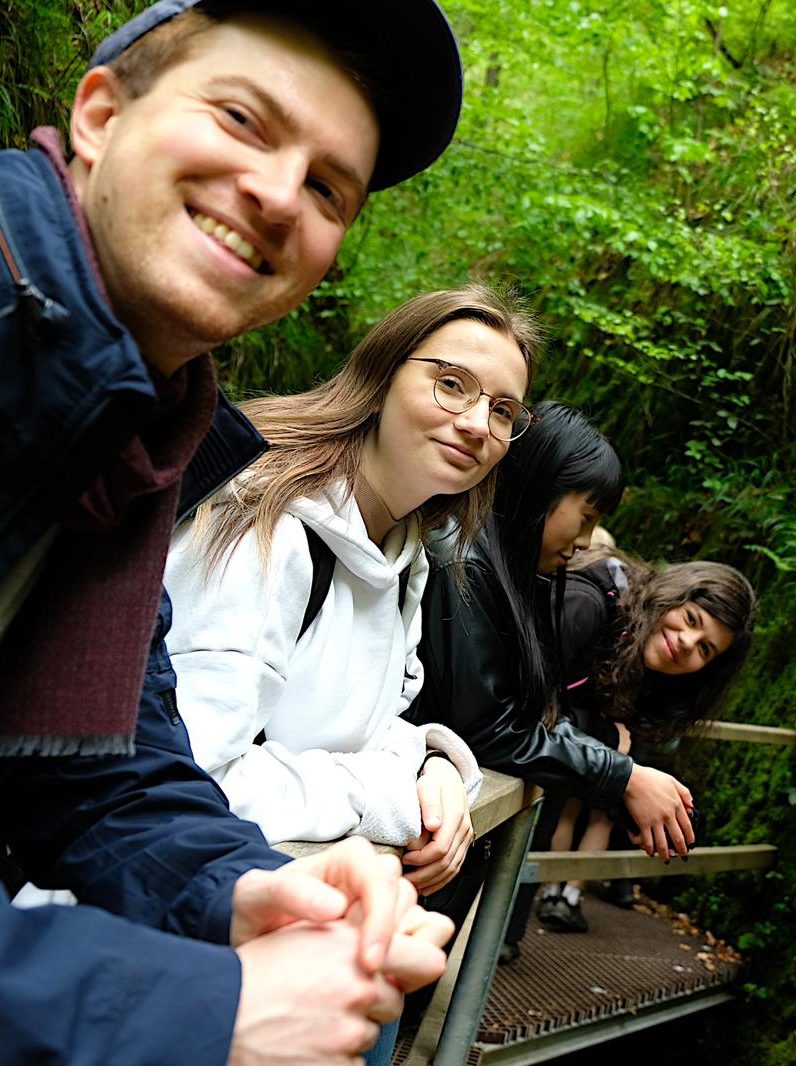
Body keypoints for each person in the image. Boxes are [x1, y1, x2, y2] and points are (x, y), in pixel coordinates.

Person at [0, 2, 466, 1061]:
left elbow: (101, 766)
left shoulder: (133, 436)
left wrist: (240, 884)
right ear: (99, 113)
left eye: (325, 187)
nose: (273, 193)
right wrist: (190, 1008)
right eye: (244, 121)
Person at [165, 286, 539, 891]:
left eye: (502, 410)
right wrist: (389, 795)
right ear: (383, 375)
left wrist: (431, 764)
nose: (476, 424)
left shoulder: (402, 558)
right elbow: (191, 771)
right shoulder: (265, 526)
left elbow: (363, 722)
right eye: (452, 384)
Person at [411, 402, 699, 868]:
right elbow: (491, 726)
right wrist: (623, 777)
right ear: (542, 488)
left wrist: (622, 785)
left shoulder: (507, 569)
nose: (586, 541)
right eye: (585, 516)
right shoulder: (463, 561)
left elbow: (527, 710)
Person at [536, 551, 758, 932]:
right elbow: (519, 710)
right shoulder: (587, 605)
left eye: (706, 648)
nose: (688, 642)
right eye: (691, 619)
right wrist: (619, 764)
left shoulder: (637, 666)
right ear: (673, 593)